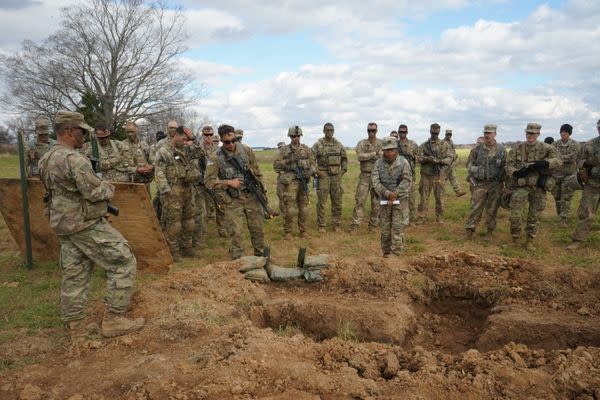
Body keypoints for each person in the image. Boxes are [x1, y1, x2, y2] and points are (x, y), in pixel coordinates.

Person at [38, 110, 144, 343]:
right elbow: (95, 190)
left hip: (64, 224)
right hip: (84, 223)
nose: (84, 136)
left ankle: (77, 329)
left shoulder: (47, 156)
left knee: (75, 275)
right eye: (81, 131)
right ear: (67, 131)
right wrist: (108, 186)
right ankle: (114, 319)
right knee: (123, 261)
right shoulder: (73, 159)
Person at [205, 124, 266, 259]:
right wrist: (228, 182)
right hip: (233, 200)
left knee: (258, 229)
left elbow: (258, 172)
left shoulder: (246, 150)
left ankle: (261, 259)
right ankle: (237, 263)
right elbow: (208, 182)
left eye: (234, 140)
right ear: (221, 140)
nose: (231, 144)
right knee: (235, 233)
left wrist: (263, 192)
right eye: (227, 142)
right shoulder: (215, 157)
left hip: (252, 196)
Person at [506, 123, 562, 250]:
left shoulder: (546, 148)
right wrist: (515, 172)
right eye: (528, 133)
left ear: (538, 134)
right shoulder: (517, 147)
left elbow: (559, 160)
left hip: (538, 187)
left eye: (533, 133)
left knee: (534, 216)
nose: (530, 135)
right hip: (521, 186)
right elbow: (508, 165)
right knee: (515, 215)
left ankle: (530, 241)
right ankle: (515, 239)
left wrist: (544, 163)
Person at [154, 126, 200, 260]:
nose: (185, 142)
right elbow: (159, 172)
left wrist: (193, 139)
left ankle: (187, 247)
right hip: (172, 191)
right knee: (174, 223)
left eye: (187, 140)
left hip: (187, 189)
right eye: (183, 139)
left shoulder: (185, 149)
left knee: (189, 221)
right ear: (176, 135)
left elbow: (200, 153)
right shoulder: (163, 151)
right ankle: (173, 250)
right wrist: (166, 191)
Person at [371, 137, 412, 257]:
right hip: (385, 201)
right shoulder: (378, 164)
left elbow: (407, 180)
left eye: (391, 150)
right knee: (385, 230)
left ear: (395, 150)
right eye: (386, 150)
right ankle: (386, 253)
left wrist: (395, 194)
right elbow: (375, 182)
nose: (389, 153)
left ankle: (396, 254)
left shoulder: (403, 162)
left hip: (400, 201)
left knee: (397, 229)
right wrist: (387, 194)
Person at [464, 124, 506, 240]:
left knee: (492, 209)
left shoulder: (501, 150)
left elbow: (505, 167)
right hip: (480, 184)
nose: (487, 135)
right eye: (485, 133)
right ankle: (470, 231)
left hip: (495, 184)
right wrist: (476, 170)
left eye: (489, 133)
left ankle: (489, 232)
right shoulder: (477, 149)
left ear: (495, 134)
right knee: (475, 208)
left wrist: (507, 185)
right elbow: (469, 164)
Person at [273, 126, 316, 239]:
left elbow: (313, 163)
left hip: (303, 181)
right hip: (291, 181)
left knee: (304, 208)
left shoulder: (306, 149)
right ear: (290, 137)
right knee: (290, 209)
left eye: (297, 136)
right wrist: (289, 160)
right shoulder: (284, 150)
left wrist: (310, 171)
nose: (295, 138)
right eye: (293, 136)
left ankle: (303, 231)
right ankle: (288, 232)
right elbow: (276, 166)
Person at [567, 120, 600, 250]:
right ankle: (578, 240)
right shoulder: (589, 144)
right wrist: (585, 166)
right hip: (592, 185)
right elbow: (578, 160)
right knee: (586, 213)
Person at [312, 122, 348, 232]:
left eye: (331, 130)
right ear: (323, 131)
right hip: (323, 175)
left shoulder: (339, 145)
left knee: (337, 201)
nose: (329, 132)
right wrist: (317, 171)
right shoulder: (318, 145)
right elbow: (311, 159)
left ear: (333, 131)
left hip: (336, 176)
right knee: (322, 201)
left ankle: (336, 224)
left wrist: (342, 171)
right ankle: (322, 225)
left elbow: (344, 159)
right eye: (327, 130)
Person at [418, 123, 453, 224]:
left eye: (436, 132)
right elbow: (418, 158)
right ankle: (422, 217)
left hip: (438, 175)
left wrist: (440, 161)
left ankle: (440, 218)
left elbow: (450, 158)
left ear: (439, 132)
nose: (434, 133)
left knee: (439, 198)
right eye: (433, 131)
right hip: (426, 175)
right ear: (430, 131)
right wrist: (427, 159)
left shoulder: (444, 145)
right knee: (424, 197)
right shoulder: (424, 145)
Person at [350, 122, 382, 231]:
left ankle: (373, 226)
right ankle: (355, 225)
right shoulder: (362, 143)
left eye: (373, 130)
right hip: (364, 176)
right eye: (369, 130)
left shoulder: (381, 143)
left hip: (377, 177)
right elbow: (359, 156)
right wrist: (373, 154)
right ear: (367, 131)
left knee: (376, 203)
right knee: (360, 201)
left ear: (376, 131)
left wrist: (367, 156)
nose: (371, 132)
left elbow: (382, 158)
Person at [197, 125, 227, 238]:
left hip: (216, 182)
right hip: (203, 183)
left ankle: (222, 229)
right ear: (202, 135)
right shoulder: (198, 149)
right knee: (204, 209)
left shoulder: (218, 149)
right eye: (206, 135)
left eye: (210, 134)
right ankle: (203, 233)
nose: (208, 137)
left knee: (221, 206)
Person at [551, 124, 581, 226]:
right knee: (557, 196)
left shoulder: (575, 145)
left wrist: (559, 159)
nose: (563, 133)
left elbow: (573, 157)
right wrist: (561, 159)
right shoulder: (555, 144)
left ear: (569, 133)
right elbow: (552, 156)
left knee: (566, 197)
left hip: (569, 175)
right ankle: (560, 214)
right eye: (562, 132)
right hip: (556, 174)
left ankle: (564, 219)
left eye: (565, 132)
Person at [396, 124, 421, 223]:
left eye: (404, 132)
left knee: (411, 198)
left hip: (410, 175)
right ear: (398, 132)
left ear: (407, 132)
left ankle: (412, 220)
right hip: (397, 175)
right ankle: (399, 218)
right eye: (400, 132)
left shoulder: (413, 144)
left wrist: (412, 155)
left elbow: (420, 158)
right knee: (398, 198)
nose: (402, 134)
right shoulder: (394, 144)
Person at [443, 129, 466, 197]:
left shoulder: (451, 142)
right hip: (445, 164)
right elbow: (442, 153)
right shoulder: (442, 142)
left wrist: (455, 156)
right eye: (448, 134)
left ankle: (458, 191)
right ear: (445, 135)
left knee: (453, 177)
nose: (449, 136)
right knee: (444, 179)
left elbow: (453, 150)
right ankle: (441, 192)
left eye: (450, 134)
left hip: (451, 164)